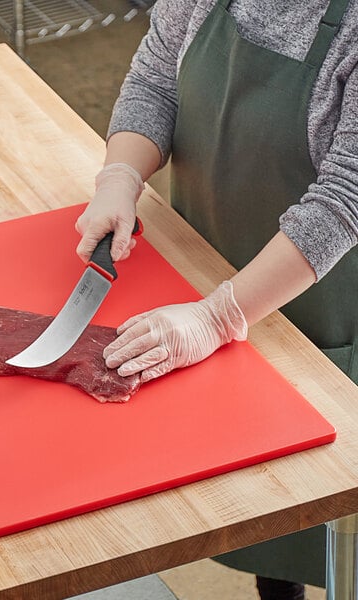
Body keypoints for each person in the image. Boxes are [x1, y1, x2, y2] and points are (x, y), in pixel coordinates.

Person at [75, 1, 358, 598]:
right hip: (200, 287)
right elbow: (155, 79)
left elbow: (343, 198)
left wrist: (218, 316)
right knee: (250, 518)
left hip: (316, 317)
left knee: (327, 523)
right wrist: (120, 177)